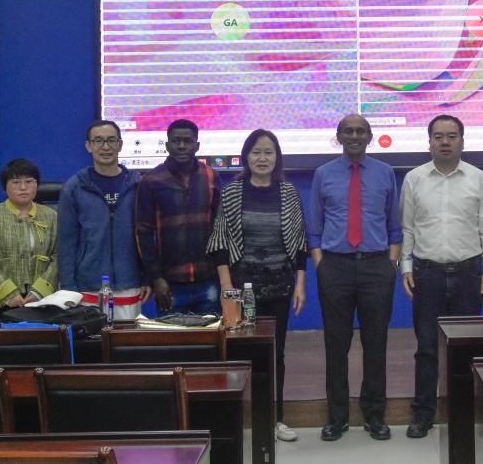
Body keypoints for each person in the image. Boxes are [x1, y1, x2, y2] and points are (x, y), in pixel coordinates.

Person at [400, 114, 483, 438]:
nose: (445, 142)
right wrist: (406, 267)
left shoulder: (478, 178)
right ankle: (423, 413)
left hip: (469, 273)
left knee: (465, 348)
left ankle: (463, 412)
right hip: (427, 273)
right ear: (429, 142)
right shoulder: (414, 178)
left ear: (462, 141)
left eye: (452, 136)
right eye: (439, 136)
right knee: (427, 347)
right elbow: (407, 228)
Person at [207, 129, 307, 443]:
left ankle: (275, 419)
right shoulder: (232, 192)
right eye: (256, 152)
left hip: (279, 286)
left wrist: (300, 284)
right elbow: (220, 242)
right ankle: (233, 422)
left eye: (268, 152)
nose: (262, 158)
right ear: (246, 157)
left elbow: (300, 243)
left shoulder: (288, 192)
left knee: (276, 354)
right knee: (238, 355)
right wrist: (227, 288)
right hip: (242, 290)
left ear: (277, 158)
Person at [309, 113, 401, 442]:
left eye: (360, 131)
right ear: (338, 136)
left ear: (370, 136)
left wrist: (391, 264)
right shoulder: (323, 174)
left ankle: (375, 416)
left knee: (376, 345)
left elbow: (394, 226)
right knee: (336, 346)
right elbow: (315, 228)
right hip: (335, 266)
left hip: (377, 267)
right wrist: (320, 264)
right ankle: (337, 418)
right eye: (348, 131)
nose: (354, 136)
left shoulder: (385, 173)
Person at [57, 120, 148, 320]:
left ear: (120, 145)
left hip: (129, 283)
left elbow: (147, 236)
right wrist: (68, 286)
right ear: (88, 146)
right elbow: (66, 240)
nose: (105, 147)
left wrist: (147, 277)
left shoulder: (138, 185)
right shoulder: (74, 187)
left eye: (111, 140)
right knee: (91, 341)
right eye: (98, 141)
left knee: (125, 339)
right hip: (87, 286)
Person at [135, 119, 220, 314]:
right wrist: (156, 278)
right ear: (167, 145)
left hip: (208, 281)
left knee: (211, 333)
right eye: (176, 141)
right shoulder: (151, 180)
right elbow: (143, 234)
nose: (182, 146)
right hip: (169, 284)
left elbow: (219, 228)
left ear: (197, 145)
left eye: (188, 141)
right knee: (171, 335)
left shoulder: (211, 176)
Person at [0, 158, 58, 328]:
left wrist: (40, 290)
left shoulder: (51, 216)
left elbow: (59, 256)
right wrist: (7, 293)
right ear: (5, 187)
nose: (23, 187)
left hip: (40, 299)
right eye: (16, 182)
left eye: (29, 181)